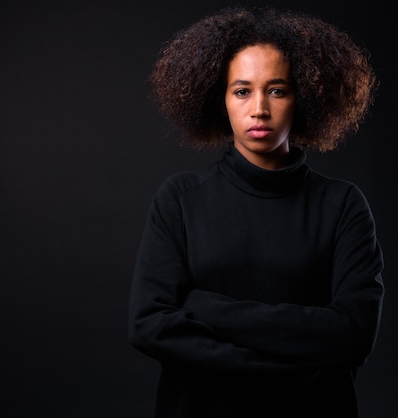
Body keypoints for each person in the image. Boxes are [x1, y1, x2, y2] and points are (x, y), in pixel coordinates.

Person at [128, 6, 384, 418]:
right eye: (242, 91)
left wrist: (204, 308)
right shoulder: (180, 199)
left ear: (305, 98)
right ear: (220, 99)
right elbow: (148, 325)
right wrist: (281, 372)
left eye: (278, 90)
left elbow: (354, 334)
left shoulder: (342, 205)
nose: (259, 108)